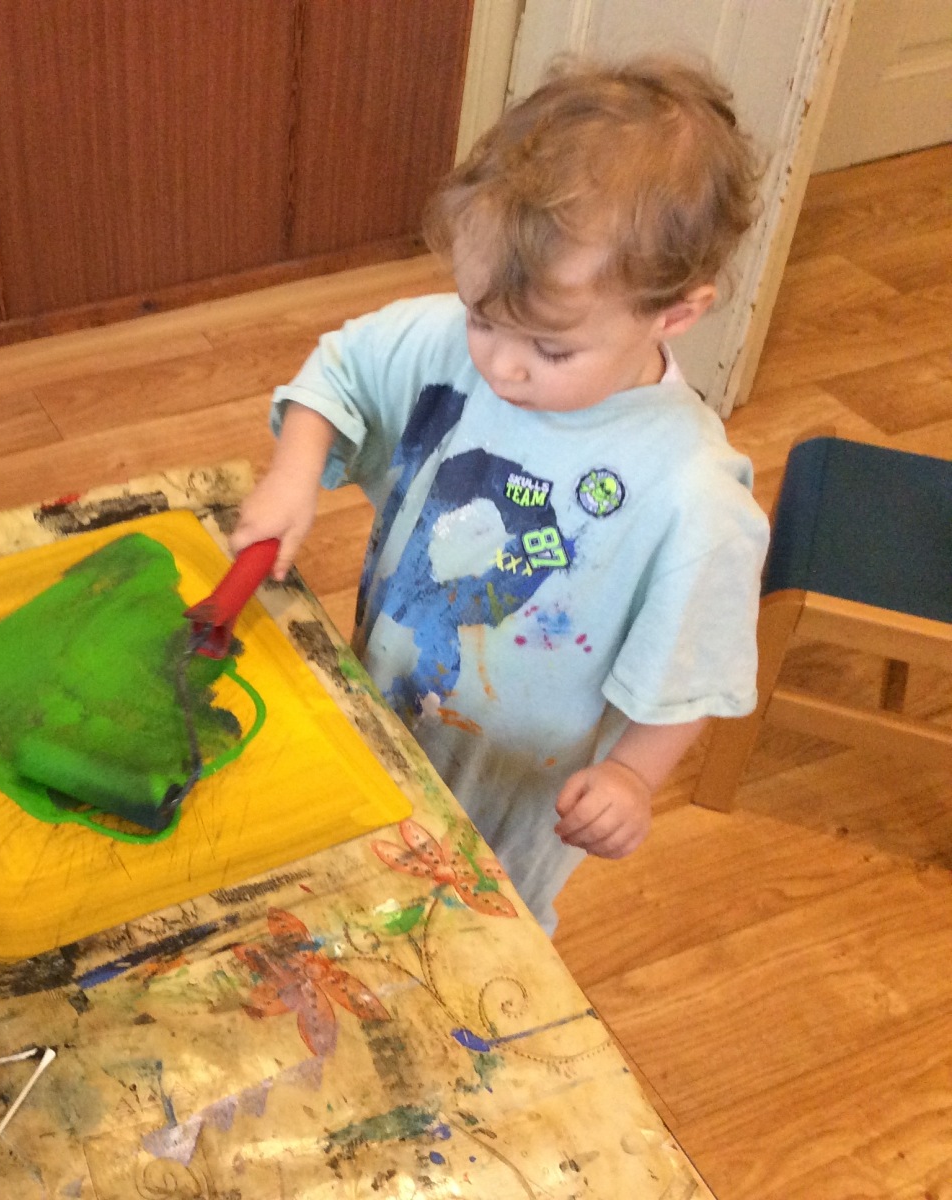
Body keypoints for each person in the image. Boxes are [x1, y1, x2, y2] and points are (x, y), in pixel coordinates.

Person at [229, 57, 770, 934]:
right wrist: (295, 472)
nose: (501, 365)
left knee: (459, 935)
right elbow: (342, 367)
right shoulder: (458, 342)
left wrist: (631, 775)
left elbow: (693, 666)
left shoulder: (691, 495)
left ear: (673, 314)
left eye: (551, 350)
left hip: (508, 799)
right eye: (482, 317)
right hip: (381, 707)